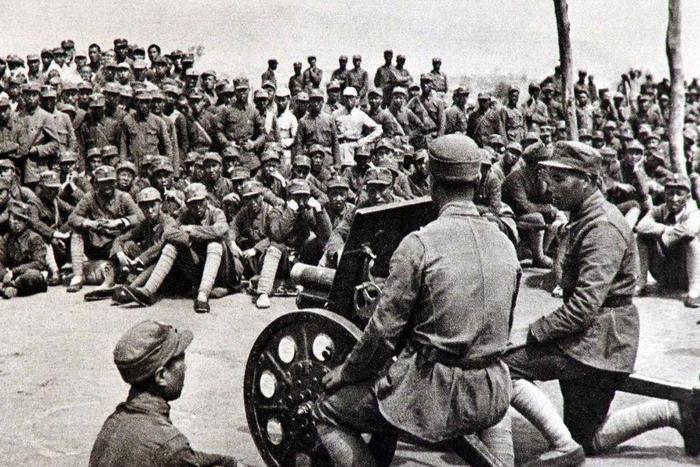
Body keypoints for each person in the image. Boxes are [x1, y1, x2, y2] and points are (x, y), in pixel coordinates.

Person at [313, 134, 519, 467]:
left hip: (434, 396)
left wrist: (346, 373)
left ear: (431, 182)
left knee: (326, 409)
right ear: (478, 180)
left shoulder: (419, 245)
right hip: (493, 391)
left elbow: (383, 333)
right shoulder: (506, 245)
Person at [504, 141, 700, 466]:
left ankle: (561, 445)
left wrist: (529, 332)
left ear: (589, 180)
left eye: (560, 179)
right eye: (549, 178)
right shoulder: (585, 216)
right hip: (596, 338)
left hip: (598, 343)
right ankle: (674, 412)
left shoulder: (602, 227)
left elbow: (582, 308)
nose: (549, 188)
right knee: (588, 438)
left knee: (502, 367)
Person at [89, 320, 238, 466]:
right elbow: (172, 453)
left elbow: (177, 456)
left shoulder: (113, 423)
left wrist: (226, 462)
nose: (185, 368)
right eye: (181, 359)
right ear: (161, 376)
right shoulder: (170, 446)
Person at [123, 183, 239, 313]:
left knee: (214, 244)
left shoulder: (216, 213)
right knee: (171, 245)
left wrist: (192, 230)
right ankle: (148, 291)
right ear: (187, 205)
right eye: (193, 203)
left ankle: (203, 296)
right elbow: (168, 233)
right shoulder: (185, 215)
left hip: (223, 269)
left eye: (200, 202)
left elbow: (220, 230)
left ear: (207, 200)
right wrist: (188, 239)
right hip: (200, 267)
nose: (197, 206)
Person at [67, 165, 144, 293]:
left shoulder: (123, 197)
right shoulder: (90, 197)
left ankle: (112, 274)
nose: (108, 186)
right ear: (96, 183)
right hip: (95, 242)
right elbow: (72, 218)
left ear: (115, 182)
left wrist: (118, 222)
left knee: (126, 253)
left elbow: (140, 217)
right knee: (76, 231)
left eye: (110, 182)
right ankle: (77, 276)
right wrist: (90, 223)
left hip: (116, 243)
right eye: (103, 182)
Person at [636, 173, 700, 307]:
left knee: (691, 240)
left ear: (688, 196)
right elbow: (641, 226)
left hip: (686, 274)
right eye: (670, 193)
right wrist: (665, 229)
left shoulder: (694, 212)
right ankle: (640, 283)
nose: (674, 198)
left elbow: (690, 229)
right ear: (664, 195)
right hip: (663, 273)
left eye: (679, 194)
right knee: (642, 236)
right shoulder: (658, 210)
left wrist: (666, 238)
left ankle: (695, 292)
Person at [0, 200, 49, 298]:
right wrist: (4, 273)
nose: (16, 222)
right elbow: (1, 258)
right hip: (10, 274)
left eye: (20, 219)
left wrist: (14, 271)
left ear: (26, 222)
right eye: (13, 219)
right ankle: (9, 287)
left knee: (32, 276)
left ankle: (12, 288)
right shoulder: (7, 238)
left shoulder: (34, 237)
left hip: (27, 274)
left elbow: (39, 263)